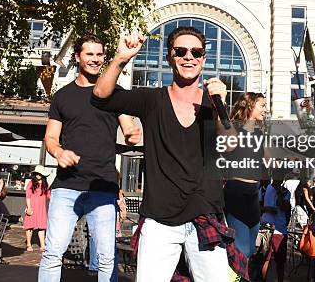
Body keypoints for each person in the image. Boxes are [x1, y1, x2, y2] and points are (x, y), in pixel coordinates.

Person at [92, 27, 245, 282]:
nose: (189, 57)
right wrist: (121, 58)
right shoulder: (152, 99)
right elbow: (100, 96)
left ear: (204, 59)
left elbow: (231, 145)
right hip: (159, 217)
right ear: (169, 57)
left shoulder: (212, 103)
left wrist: (221, 105)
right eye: (181, 51)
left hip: (205, 213)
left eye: (196, 52)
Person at [39, 33, 141, 282]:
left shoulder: (115, 92)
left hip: (103, 186)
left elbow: (128, 128)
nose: (95, 59)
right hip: (66, 186)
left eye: (99, 54)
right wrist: (59, 152)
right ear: (78, 57)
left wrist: (131, 134)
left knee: (106, 258)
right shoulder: (62, 96)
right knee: (53, 254)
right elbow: (50, 138)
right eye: (89, 54)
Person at [222, 93, 266, 264]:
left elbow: (269, 158)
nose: (265, 109)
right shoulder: (234, 130)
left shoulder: (260, 134)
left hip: (254, 195)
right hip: (236, 192)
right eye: (262, 105)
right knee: (242, 251)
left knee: (249, 251)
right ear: (250, 105)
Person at [259, 179, 291, 282]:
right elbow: (257, 207)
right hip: (265, 228)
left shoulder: (286, 192)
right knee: (264, 260)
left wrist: (278, 192)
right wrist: (266, 209)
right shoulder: (264, 189)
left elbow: (284, 207)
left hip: (280, 230)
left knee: (280, 262)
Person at [24, 165, 50, 252]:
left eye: (39, 174)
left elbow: (49, 195)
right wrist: (29, 207)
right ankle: (28, 244)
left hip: (41, 208)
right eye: (36, 173)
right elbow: (28, 196)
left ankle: (42, 245)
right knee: (29, 226)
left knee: (41, 227)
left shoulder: (45, 184)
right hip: (32, 206)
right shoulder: (31, 183)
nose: (38, 175)